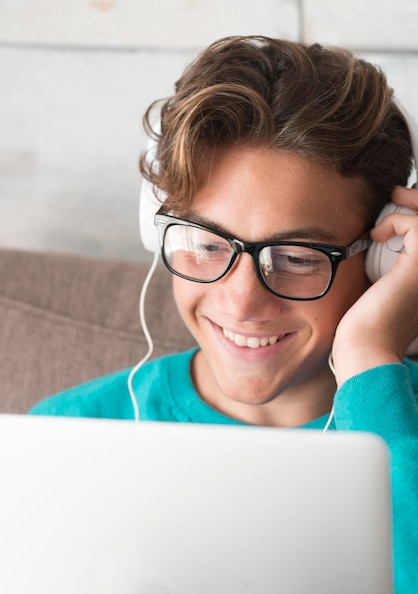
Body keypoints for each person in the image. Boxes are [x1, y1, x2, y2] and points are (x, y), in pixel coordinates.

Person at [30, 36, 418, 592]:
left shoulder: (402, 437)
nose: (241, 302)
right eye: (207, 243)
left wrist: (368, 356)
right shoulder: (61, 439)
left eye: (297, 257)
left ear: (386, 257)